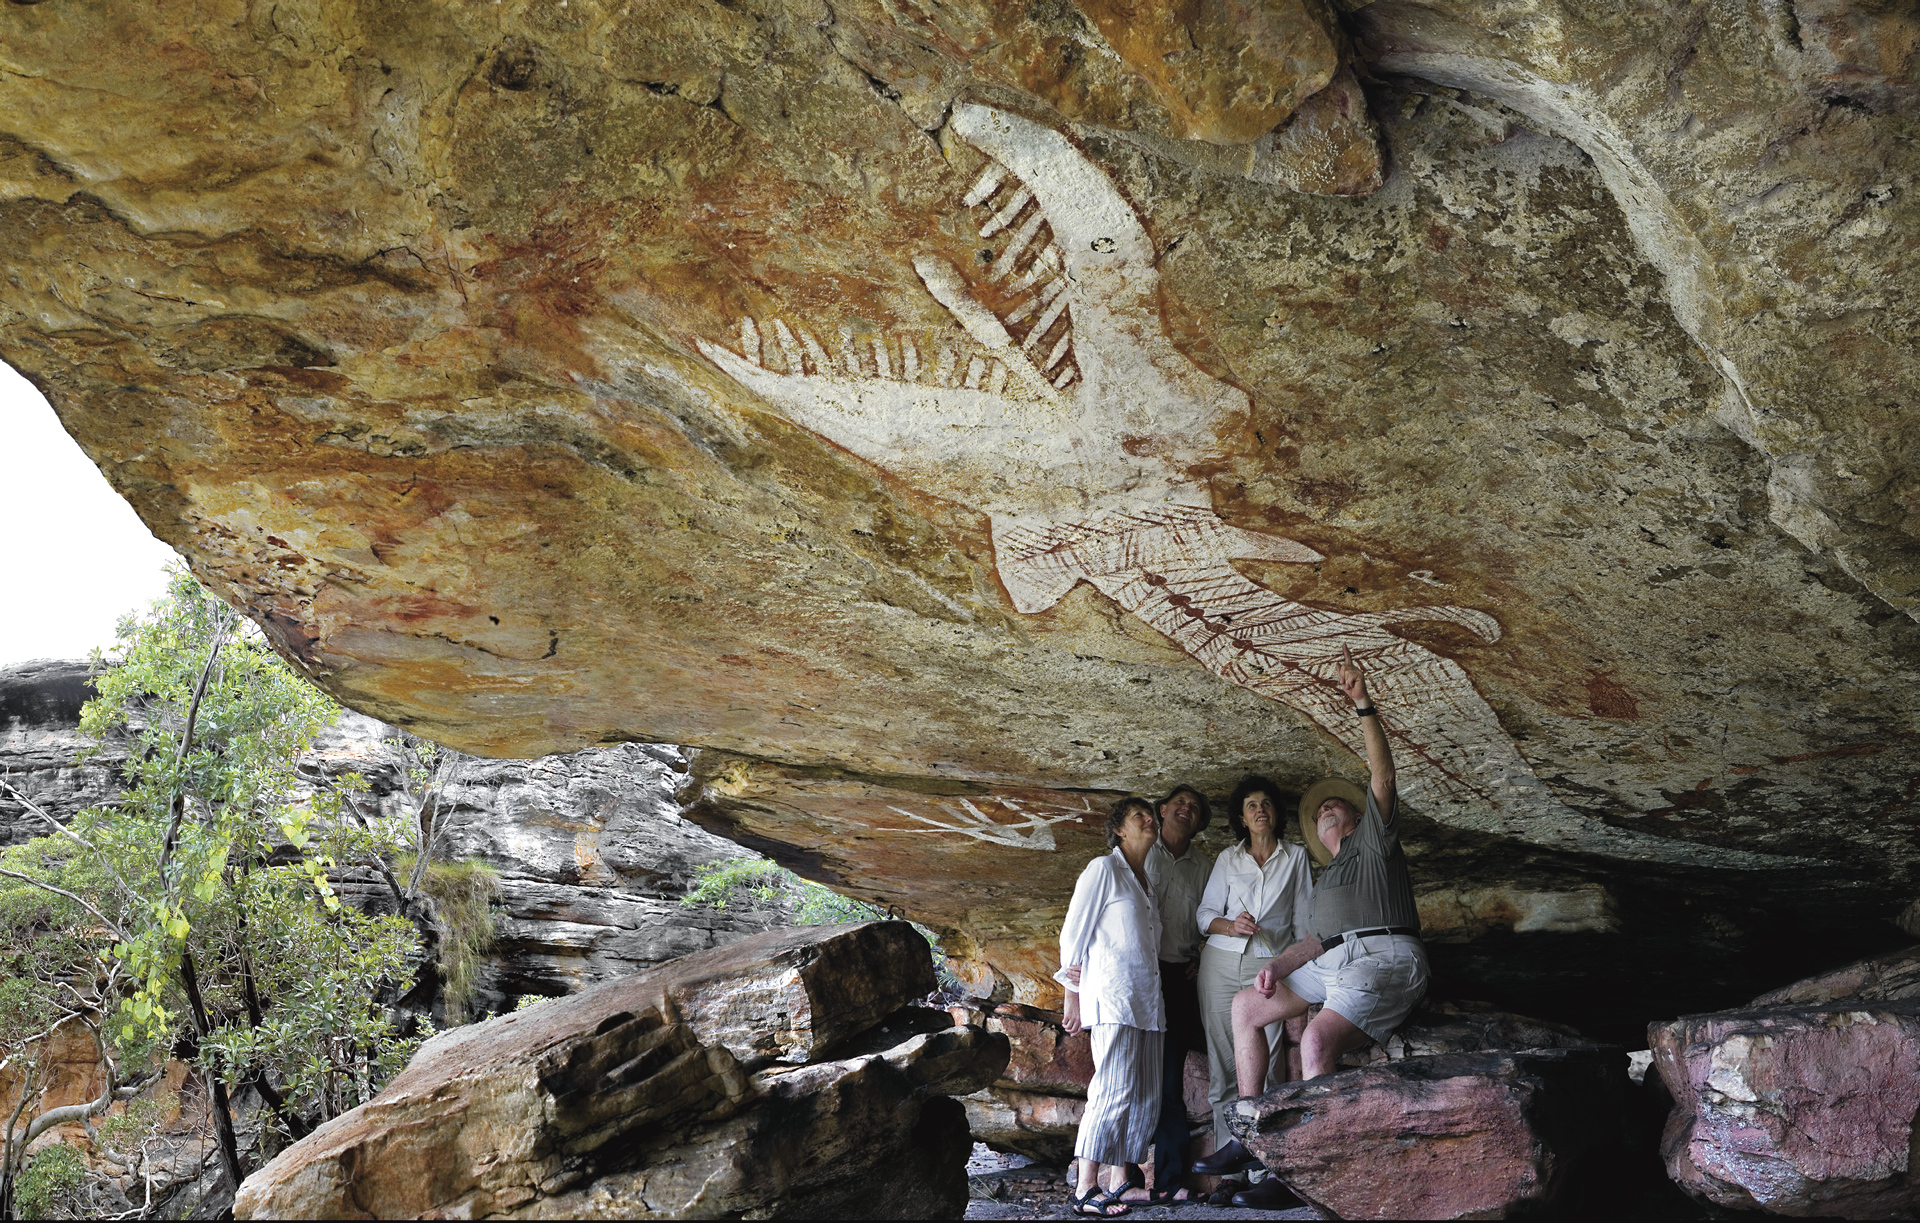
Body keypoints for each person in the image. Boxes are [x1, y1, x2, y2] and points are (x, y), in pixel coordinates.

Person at [1205, 646, 1431, 1203]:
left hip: (1383, 956)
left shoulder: (1374, 845)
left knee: (1315, 1042)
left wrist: (1363, 704)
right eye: (1320, 809)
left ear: (1356, 817)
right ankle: (1252, 1133)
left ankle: (1313, 1176)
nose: (1327, 808)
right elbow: (1312, 941)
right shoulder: (1324, 877)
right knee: (1247, 1007)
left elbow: (1383, 775)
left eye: (1337, 805)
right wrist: (1277, 968)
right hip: (1333, 960)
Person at [1189, 773, 1312, 1174]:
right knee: (1224, 1065)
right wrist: (1230, 925)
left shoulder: (1295, 857)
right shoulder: (1229, 858)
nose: (1261, 810)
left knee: (1269, 1064)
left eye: (1267, 804)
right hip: (1221, 964)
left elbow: (1304, 924)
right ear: (1242, 818)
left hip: (1269, 966)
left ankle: (1264, 1171)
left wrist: (1294, 967)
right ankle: (1229, 1169)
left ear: (1277, 814)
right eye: (1252, 805)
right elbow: (1204, 916)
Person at [1059, 796, 1166, 1218]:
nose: (1150, 819)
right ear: (1119, 829)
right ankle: (1086, 1188)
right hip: (1115, 997)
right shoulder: (1103, 869)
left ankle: (1121, 1181)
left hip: (1147, 1000)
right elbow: (1074, 934)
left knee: (1143, 1094)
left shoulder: (1146, 882)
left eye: (1151, 815)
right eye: (1140, 815)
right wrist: (1072, 993)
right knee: (1113, 1090)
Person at [1141, 785, 1213, 1203]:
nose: (1186, 809)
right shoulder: (1139, 852)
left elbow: (1214, 919)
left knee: (1170, 1078)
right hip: (1139, 973)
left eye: (1195, 808)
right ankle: (1121, 1178)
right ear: (1162, 809)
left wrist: (1203, 956)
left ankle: (1168, 1182)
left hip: (1178, 976)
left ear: (1200, 822)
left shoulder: (1204, 867)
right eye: (1180, 803)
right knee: (1132, 1074)